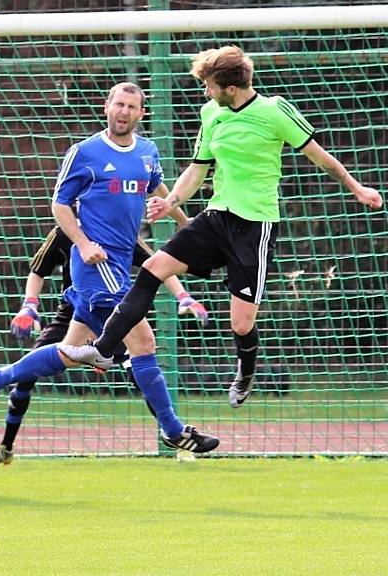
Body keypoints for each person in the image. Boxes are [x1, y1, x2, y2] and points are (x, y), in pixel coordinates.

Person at [61, 46, 383, 408]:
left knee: (242, 324)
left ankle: (246, 371)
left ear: (230, 88)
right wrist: (173, 202)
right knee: (152, 269)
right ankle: (103, 350)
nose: (205, 92)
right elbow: (199, 167)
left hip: (255, 225)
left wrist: (358, 187)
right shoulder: (211, 112)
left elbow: (320, 157)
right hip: (216, 217)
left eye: (210, 86)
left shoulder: (274, 111)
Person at [0, 82, 220, 455]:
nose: (124, 111)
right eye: (119, 104)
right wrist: (84, 244)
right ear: (107, 107)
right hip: (95, 265)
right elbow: (60, 205)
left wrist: (192, 228)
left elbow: (160, 192)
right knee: (142, 341)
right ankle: (173, 429)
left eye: (132, 107)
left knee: (70, 350)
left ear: (141, 114)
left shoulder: (148, 153)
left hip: (119, 264)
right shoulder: (84, 152)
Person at [0, 226, 209, 466]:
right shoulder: (65, 230)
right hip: (75, 312)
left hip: (111, 311)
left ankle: (174, 435)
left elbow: (159, 264)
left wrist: (184, 296)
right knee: (28, 375)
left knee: (140, 369)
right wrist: (29, 305)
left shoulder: (118, 229)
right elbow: (38, 270)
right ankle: (5, 447)